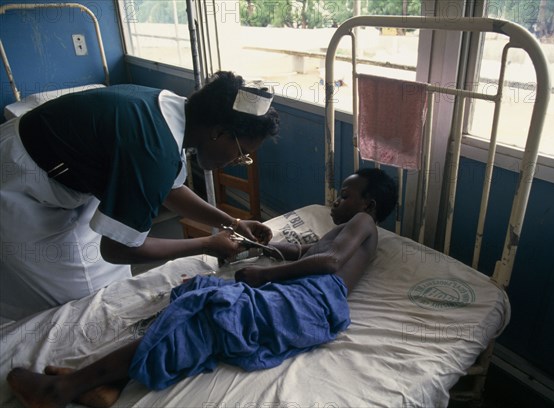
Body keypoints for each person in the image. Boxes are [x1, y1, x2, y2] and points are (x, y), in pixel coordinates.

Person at [6, 168, 398, 408]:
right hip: (301, 296)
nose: (336, 199)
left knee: (209, 312)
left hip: (310, 302)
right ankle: (110, 383)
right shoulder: (342, 229)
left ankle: (60, 391)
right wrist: (255, 246)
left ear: (370, 204)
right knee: (199, 299)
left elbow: (327, 263)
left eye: (345, 195)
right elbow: (302, 252)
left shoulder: (363, 224)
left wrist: (263, 276)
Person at [0, 71, 279, 321]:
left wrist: (232, 222)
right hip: (19, 184)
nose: (238, 161)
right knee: (74, 306)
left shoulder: (173, 110)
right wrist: (207, 244)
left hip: (60, 173)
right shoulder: (153, 150)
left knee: (108, 288)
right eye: (242, 154)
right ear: (219, 133)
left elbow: (169, 190)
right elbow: (118, 249)